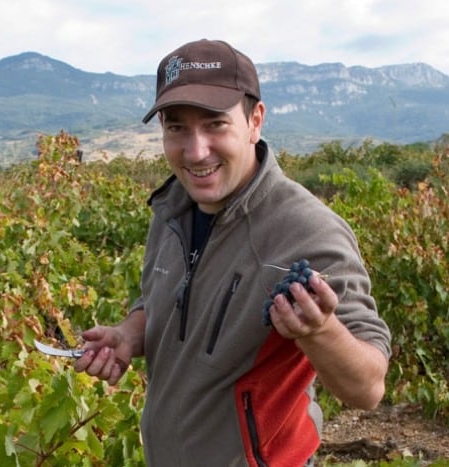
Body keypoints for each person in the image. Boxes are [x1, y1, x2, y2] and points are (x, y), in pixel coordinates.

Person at [74, 39, 391, 466]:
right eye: (176, 128)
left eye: (215, 125)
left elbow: (368, 388)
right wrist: (129, 334)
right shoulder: (173, 210)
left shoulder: (306, 231)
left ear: (254, 121)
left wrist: (320, 331)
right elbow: (165, 298)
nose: (195, 150)